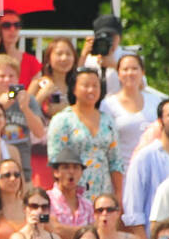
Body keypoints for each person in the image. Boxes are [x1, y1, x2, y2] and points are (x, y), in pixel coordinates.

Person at [46, 67, 122, 204]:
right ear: (74, 89)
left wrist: (118, 195)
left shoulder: (108, 120)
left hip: (103, 194)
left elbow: (115, 161)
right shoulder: (62, 120)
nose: (91, 90)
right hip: (72, 193)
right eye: (86, 85)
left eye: (95, 86)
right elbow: (55, 160)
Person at [100, 53, 162, 168]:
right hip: (123, 171)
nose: (130, 73)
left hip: (153, 168)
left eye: (134, 69)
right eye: (125, 69)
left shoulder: (155, 101)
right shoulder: (108, 104)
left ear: (142, 72)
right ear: (118, 74)